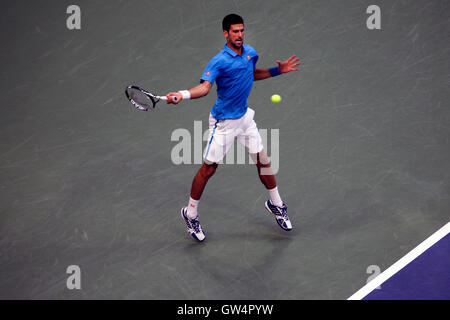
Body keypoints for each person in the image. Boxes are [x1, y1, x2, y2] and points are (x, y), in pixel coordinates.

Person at [166, 13, 300, 242]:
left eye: (242, 30)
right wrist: (182, 94)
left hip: (245, 118)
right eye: (235, 31)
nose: (239, 35)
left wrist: (277, 71)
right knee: (209, 169)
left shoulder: (250, 53)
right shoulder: (218, 61)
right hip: (224, 122)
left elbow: (250, 74)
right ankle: (190, 214)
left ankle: (276, 204)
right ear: (225, 33)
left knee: (263, 161)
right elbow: (206, 88)